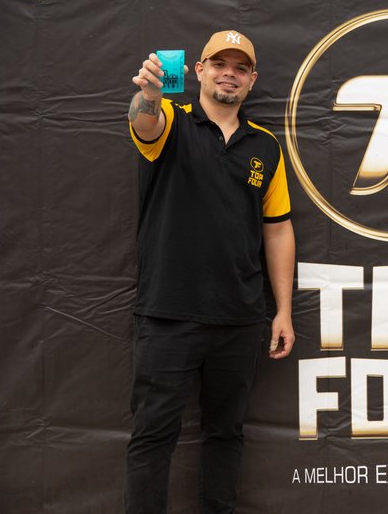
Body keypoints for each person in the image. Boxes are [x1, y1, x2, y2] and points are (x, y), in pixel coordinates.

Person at [124, 30, 296, 514]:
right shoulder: (170, 119)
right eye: (219, 64)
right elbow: (145, 123)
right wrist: (148, 95)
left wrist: (283, 310)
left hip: (239, 318)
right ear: (198, 71)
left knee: (226, 435)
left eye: (240, 68)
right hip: (168, 312)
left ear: (252, 80)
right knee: (152, 436)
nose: (229, 74)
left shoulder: (266, 146)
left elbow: (278, 230)